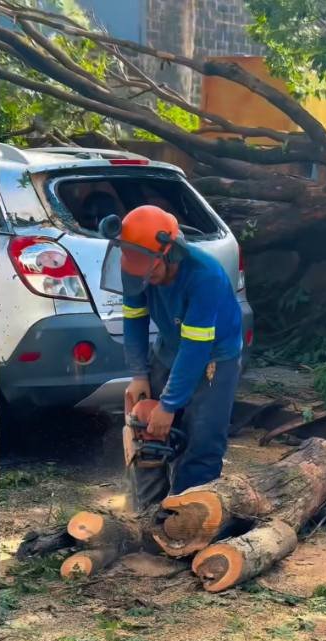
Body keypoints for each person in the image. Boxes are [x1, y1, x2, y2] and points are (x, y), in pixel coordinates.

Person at [103, 205, 243, 511]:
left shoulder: (205, 277)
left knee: (201, 442)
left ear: (171, 253)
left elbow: (196, 349)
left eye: (150, 272)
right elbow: (134, 319)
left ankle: (187, 517)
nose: (146, 279)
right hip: (168, 348)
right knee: (145, 425)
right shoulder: (135, 264)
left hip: (214, 359)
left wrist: (169, 405)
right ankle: (147, 512)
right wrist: (139, 374)